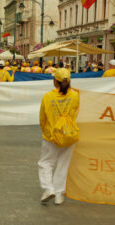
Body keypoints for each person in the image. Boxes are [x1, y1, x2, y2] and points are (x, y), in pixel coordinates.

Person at [38, 68, 79, 205]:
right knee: (63, 164)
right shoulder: (75, 95)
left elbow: (42, 118)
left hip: (51, 135)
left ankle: (49, 188)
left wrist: (46, 131)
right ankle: (59, 194)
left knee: (45, 162)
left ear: (55, 81)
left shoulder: (48, 97)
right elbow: (75, 113)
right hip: (69, 134)